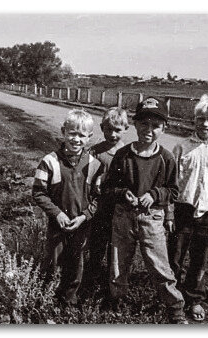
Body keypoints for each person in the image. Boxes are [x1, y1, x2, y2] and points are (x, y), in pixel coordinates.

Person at [102, 97, 187, 324]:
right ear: (135, 124)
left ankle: (175, 308)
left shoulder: (166, 158)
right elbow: (108, 186)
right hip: (124, 216)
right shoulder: (123, 155)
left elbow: (173, 191)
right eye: (143, 124)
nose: (148, 130)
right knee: (119, 262)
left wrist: (155, 195)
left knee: (159, 265)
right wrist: (122, 194)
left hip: (152, 219)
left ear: (164, 128)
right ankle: (115, 301)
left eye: (155, 126)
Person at [167, 94, 208, 322]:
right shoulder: (182, 147)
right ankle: (172, 298)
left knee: (200, 259)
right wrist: (168, 212)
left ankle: (194, 298)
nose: (205, 124)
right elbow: (170, 183)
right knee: (175, 256)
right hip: (182, 211)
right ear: (193, 120)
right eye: (200, 119)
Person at [32, 108, 103, 306]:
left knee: (76, 261)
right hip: (58, 224)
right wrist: (57, 214)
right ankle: (48, 298)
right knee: (53, 261)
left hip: (81, 224)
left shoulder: (95, 165)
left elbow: (99, 198)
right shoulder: (49, 162)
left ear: (89, 137)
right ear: (63, 131)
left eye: (82, 135)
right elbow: (38, 192)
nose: (76, 139)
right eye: (72, 133)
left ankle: (69, 300)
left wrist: (85, 216)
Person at [84, 107, 129, 292]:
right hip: (99, 207)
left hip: (118, 209)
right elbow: (86, 177)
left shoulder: (128, 153)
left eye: (117, 130)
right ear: (102, 128)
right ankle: (91, 279)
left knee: (116, 249)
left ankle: (111, 283)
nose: (112, 134)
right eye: (108, 129)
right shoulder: (95, 151)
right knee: (96, 245)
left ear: (126, 128)